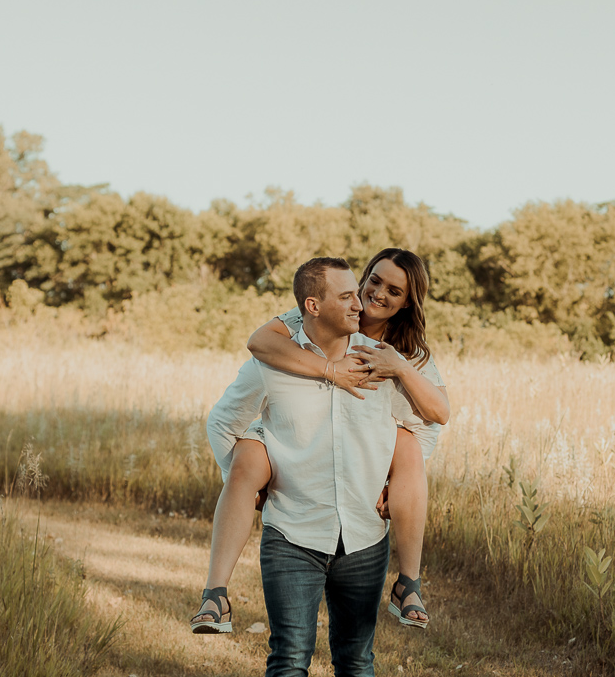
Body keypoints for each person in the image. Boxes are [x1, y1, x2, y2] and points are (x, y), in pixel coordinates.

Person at [205, 257, 423, 677]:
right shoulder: (275, 359)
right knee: (288, 659)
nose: (361, 302)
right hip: (292, 531)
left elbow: (426, 422)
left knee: (356, 660)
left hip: (363, 534)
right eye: (349, 295)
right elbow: (222, 421)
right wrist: (247, 478)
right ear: (313, 306)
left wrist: (397, 480)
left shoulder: (378, 361)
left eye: (364, 293)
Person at [190, 248, 449, 635]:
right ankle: (215, 594)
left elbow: (436, 416)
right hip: (294, 429)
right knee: (247, 459)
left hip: (367, 442)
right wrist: (330, 370)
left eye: (394, 291)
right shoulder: (316, 314)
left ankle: (408, 583)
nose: (376, 295)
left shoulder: (402, 353)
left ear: (407, 302)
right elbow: (259, 342)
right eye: (373, 282)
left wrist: (398, 368)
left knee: (408, 445)